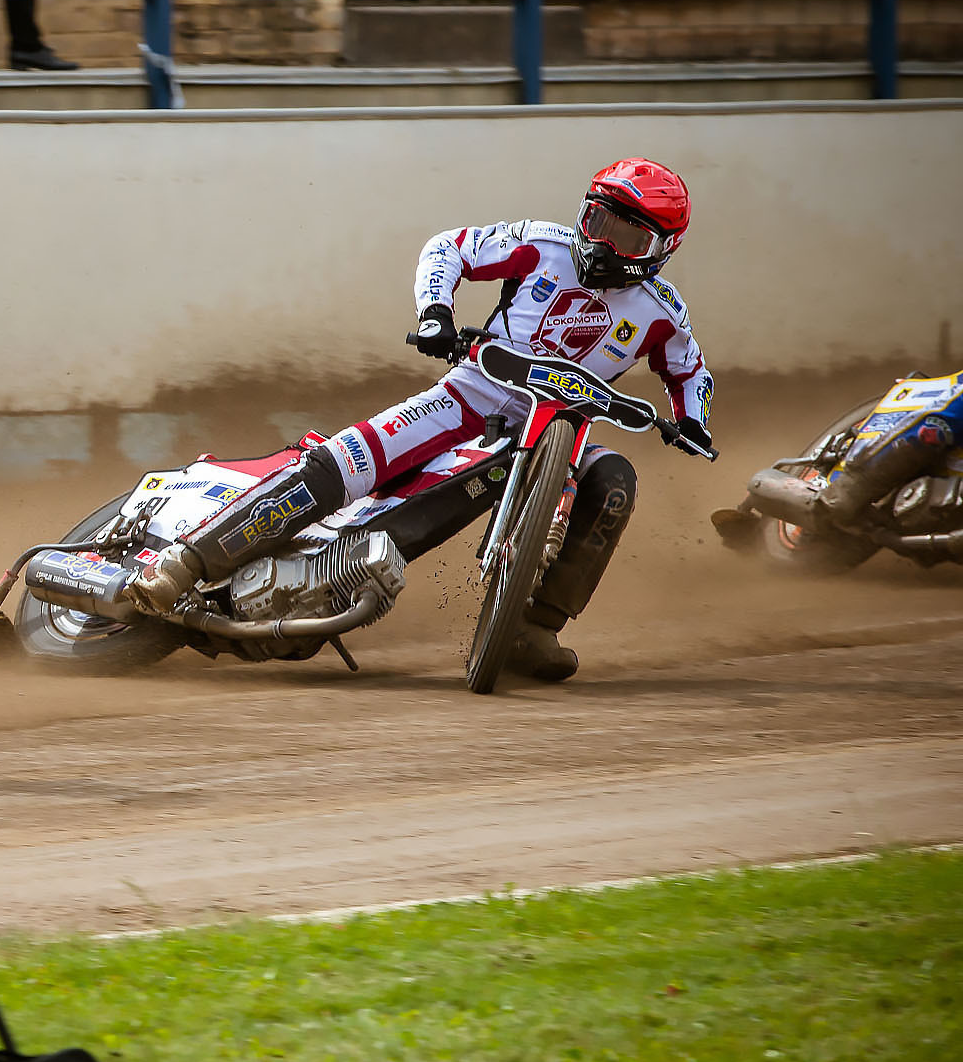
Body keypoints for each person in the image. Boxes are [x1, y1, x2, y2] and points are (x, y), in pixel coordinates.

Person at [120, 158, 714, 682]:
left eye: (628, 238)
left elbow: (691, 371)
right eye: (599, 223)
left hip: (564, 426)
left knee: (615, 485)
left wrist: (693, 420)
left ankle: (537, 628)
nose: (605, 246)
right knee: (350, 460)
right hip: (472, 394)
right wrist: (435, 312)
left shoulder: (663, 314)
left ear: (662, 250)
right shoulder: (541, 243)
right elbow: (447, 248)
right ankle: (184, 564)